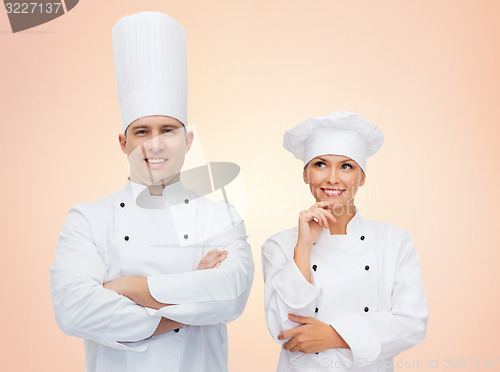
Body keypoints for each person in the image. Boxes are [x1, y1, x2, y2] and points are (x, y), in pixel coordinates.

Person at [50, 12, 254, 372]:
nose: (155, 145)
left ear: (188, 140)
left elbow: (231, 295)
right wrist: (189, 300)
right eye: (142, 131)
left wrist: (126, 286)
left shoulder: (221, 216)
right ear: (122, 142)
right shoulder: (89, 218)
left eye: (168, 130)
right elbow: (72, 309)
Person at [262, 111, 428, 372]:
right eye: (320, 164)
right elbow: (285, 330)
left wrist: (335, 336)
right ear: (305, 175)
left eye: (346, 166)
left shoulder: (394, 241)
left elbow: (412, 323)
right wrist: (303, 247)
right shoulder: (280, 245)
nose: (332, 178)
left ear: (362, 178)